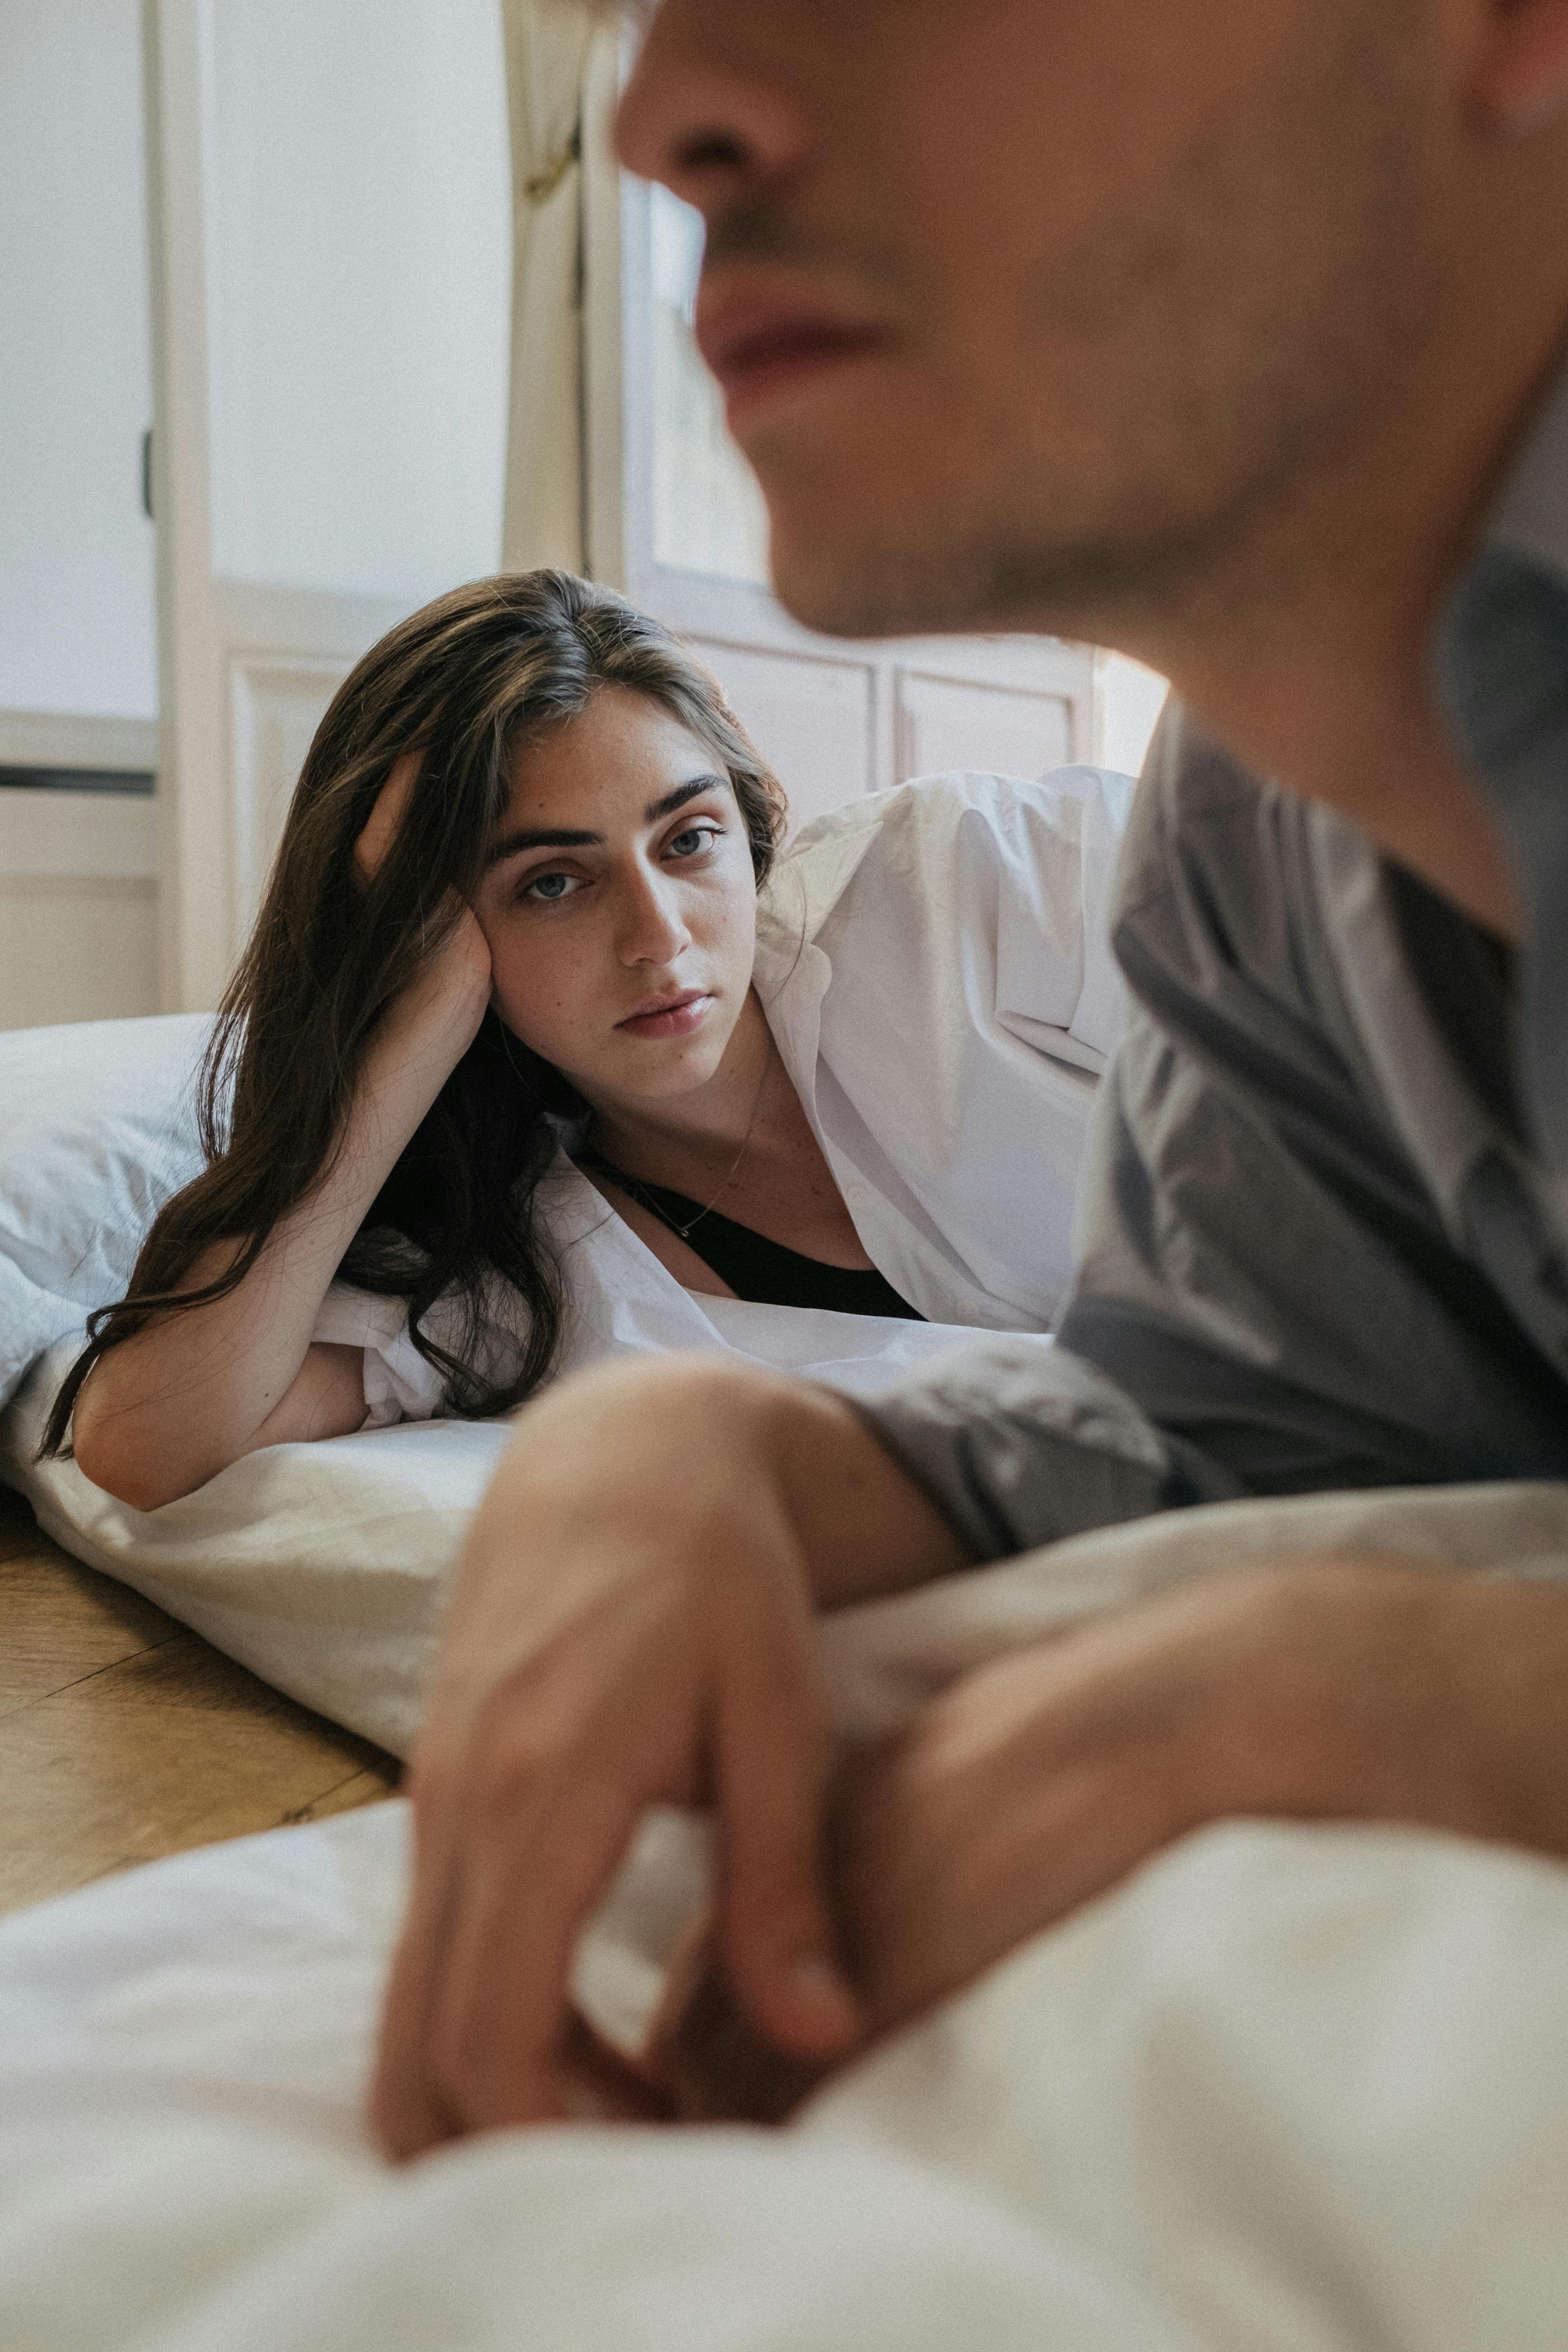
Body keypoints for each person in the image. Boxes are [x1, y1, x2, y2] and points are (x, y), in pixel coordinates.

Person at [368, 0, 1568, 2160]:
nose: (654, 117)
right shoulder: (1263, 786)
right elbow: (1269, 1419)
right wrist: (726, 1448)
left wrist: (1382, 1696)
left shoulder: (985, 886)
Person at [56, 569, 1123, 1511]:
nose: (660, 936)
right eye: (552, 883)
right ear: (442, 936)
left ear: (748, 831)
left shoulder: (973, 882)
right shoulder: (516, 1270)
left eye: (690, 838)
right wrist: (402, 1037)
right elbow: (141, 1446)